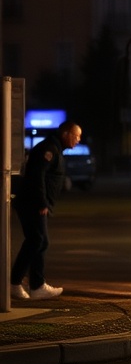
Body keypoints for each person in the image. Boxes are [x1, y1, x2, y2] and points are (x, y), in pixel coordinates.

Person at [11, 120, 83, 300]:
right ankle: (25, 284)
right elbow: (37, 176)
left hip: (35, 203)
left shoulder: (55, 148)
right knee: (38, 241)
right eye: (76, 136)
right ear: (66, 134)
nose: (78, 140)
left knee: (36, 241)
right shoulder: (49, 149)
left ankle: (28, 284)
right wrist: (42, 202)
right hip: (33, 203)